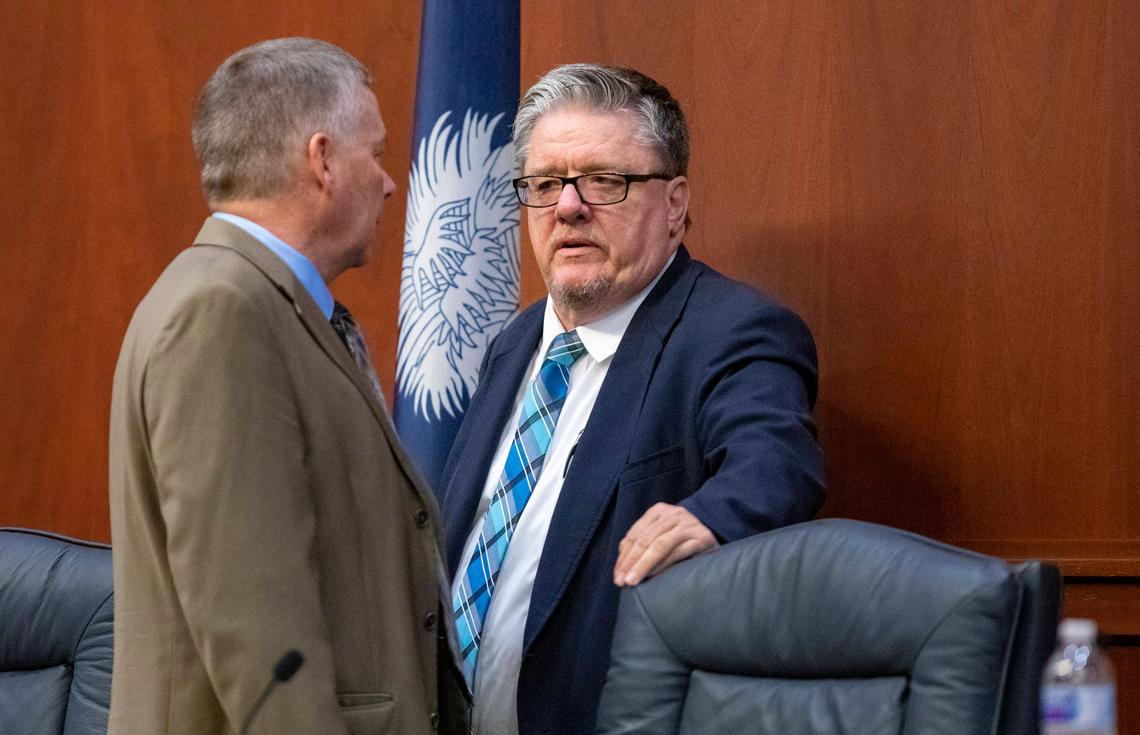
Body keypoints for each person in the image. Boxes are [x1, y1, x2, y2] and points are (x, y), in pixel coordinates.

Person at [438, 63, 827, 735]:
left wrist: (710, 516)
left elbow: (778, 464)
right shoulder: (512, 345)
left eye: (603, 180)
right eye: (545, 184)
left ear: (674, 203)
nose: (567, 207)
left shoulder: (730, 331)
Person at [108, 38, 462, 734]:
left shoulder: (262, 303)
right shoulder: (222, 313)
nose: (390, 183)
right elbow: (259, 629)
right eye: (376, 153)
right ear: (322, 160)